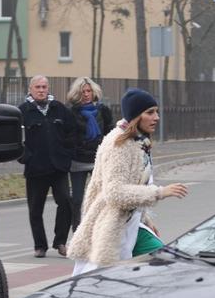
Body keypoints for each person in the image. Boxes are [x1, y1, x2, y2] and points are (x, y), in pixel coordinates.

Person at [67, 88, 188, 275]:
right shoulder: (119, 144)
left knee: (166, 264)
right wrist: (159, 192)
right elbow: (115, 192)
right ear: (135, 116)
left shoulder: (137, 141)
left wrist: (144, 219)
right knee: (101, 282)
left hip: (132, 224)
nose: (156, 117)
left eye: (156, 111)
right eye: (150, 112)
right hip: (112, 228)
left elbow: (136, 186)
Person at [19, 75, 75, 258]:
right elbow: (15, 139)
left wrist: (67, 155)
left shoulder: (59, 109)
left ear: (48, 88)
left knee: (66, 202)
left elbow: (72, 133)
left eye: (44, 87)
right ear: (30, 89)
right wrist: (25, 157)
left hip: (58, 167)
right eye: (37, 87)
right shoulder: (23, 111)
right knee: (35, 209)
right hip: (35, 169)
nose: (41, 90)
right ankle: (40, 246)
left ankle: (60, 241)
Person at [67, 77, 113, 231]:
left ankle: (97, 229)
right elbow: (69, 136)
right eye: (83, 91)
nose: (86, 94)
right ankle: (77, 230)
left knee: (98, 198)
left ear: (94, 92)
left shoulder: (103, 111)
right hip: (78, 161)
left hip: (98, 161)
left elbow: (110, 134)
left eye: (89, 91)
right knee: (77, 199)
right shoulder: (72, 112)